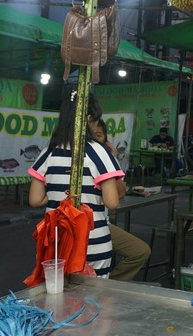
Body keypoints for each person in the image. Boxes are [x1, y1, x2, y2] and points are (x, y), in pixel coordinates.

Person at [28, 90, 122, 278]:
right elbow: (112, 203)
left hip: (57, 243)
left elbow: (35, 200)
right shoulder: (99, 153)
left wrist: (60, 194)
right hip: (93, 242)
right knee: (94, 303)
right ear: (88, 118)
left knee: (60, 302)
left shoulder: (48, 152)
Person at [92, 119, 151, 281]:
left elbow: (120, 192)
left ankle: (111, 286)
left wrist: (112, 160)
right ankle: (106, 288)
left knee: (140, 251)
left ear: (106, 140)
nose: (95, 140)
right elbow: (114, 202)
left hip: (102, 223)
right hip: (90, 226)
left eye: (99, 135)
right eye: (92, 135)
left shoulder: (105, 161)